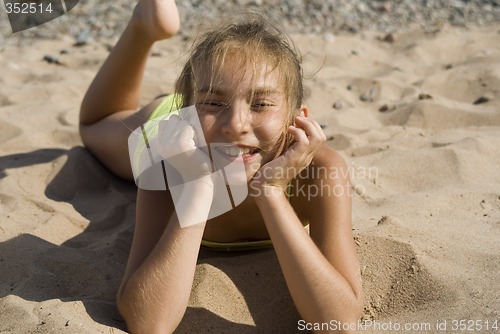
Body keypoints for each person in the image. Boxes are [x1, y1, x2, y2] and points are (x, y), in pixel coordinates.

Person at [79, 0, 364, 332]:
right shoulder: (167, 163)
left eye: (261, 104)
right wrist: (198, 187)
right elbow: (148, 323)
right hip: (180, 133)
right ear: (185, 114)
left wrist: (270, 192)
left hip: (206, 128)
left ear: (297, 119)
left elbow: (338, 322)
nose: (236, 124)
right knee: (94, 125)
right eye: (214, 102)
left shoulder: (321, 171)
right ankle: (143, 28)